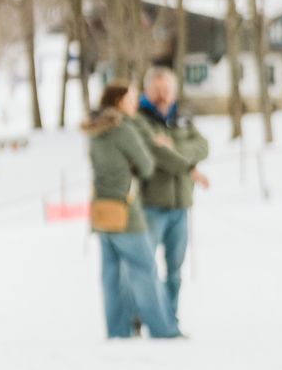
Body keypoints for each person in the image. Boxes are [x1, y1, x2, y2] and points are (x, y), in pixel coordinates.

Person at [84, 80, 181, 340]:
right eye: (131, 98)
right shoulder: (123, 129)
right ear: (118, 102)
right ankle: (164, 329)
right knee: (145, 270)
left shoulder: (95, 130)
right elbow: (147, 165)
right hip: (125, 210)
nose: (135, 103)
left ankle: (118, 332)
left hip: (102, 210)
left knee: (111, 276)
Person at [137, 65, 210, 331]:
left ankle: (169, 317)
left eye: (166, 89)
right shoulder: (141, 118)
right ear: (147, 90)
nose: (162, 95)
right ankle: (143, 316)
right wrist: (188, 165)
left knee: (175, 270)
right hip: (151, 204)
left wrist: (175, 149)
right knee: (146, 265)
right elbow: (157, 156)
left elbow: (203, 146)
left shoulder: (182, 117)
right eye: (157, 90)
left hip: (181, 204)